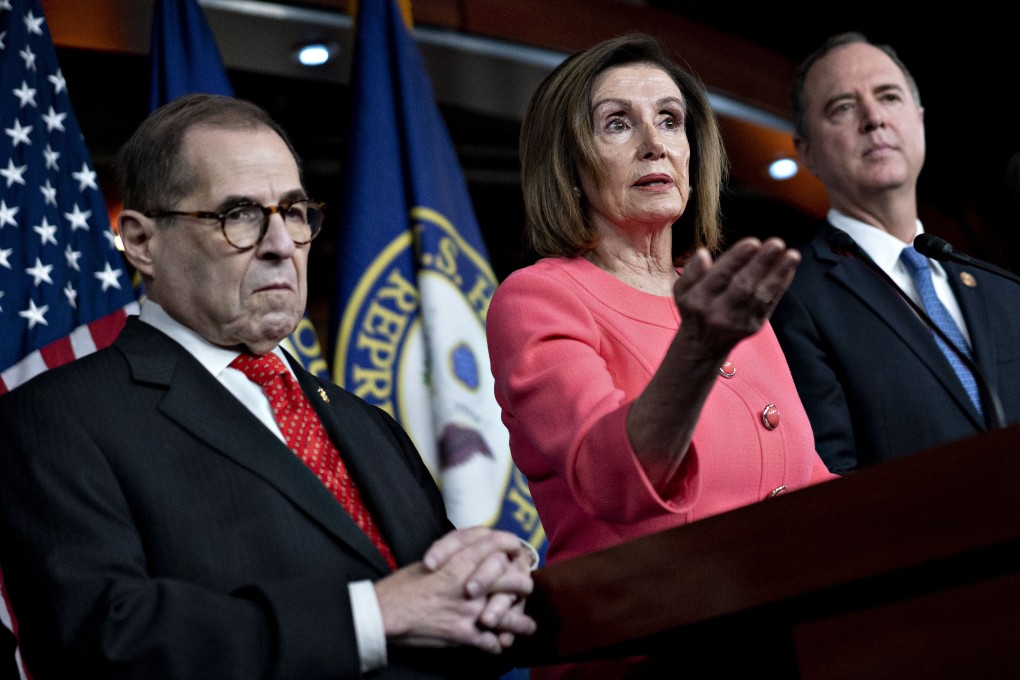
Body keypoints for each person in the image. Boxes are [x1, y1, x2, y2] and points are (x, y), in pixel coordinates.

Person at [0, 93, 537, 680]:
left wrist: (492, 578)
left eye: (295, 212)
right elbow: (105, 639)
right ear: (142, 241)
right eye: (241, 215)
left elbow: (441, 606)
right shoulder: (58, 416)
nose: (282, 245)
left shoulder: (368, 424)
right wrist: (370, 617)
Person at [485, 33, 836, 679]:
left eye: (669, 120)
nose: (655, 142)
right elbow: (611, 477)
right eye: (618, 124)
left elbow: (806, 481)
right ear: (569, 161)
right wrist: (698, 350)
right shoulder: (538, 297)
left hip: (783, 638)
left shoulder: (718, 301)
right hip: (643, 650)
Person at [770, 32, 1020, 474]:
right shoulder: (794, 297)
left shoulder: (1002, 289)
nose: (873, 118)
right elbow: (832, 481)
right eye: (842, 108)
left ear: (919, 120)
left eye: (889, 97)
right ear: (806, 152)